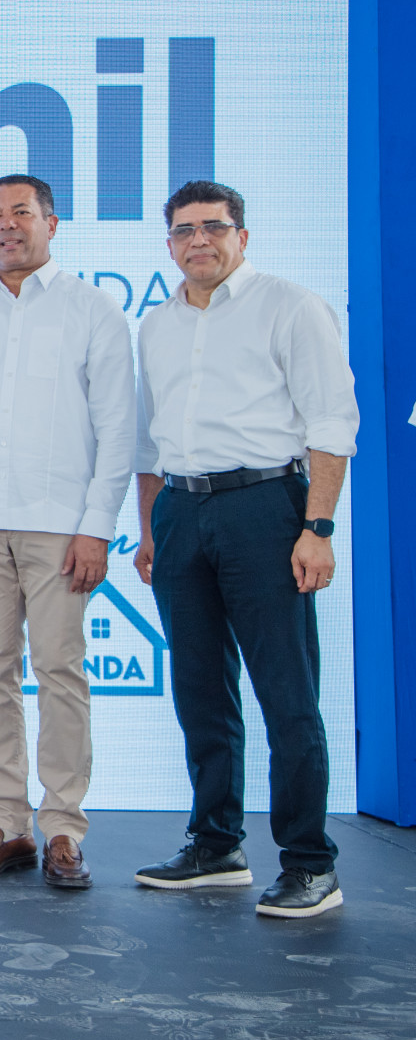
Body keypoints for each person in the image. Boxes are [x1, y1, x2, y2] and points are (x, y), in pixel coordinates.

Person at [132, 180, 358, 919]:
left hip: (266, 506)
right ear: (169, 243)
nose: (198, 240)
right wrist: (150, 528)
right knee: (199, 688)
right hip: (180, 511)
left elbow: (332, 422)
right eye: (184, 230)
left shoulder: (291, 307)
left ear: (242, 236)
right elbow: (149, 442)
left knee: (287, 693)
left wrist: (318, 528)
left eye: (213, 226)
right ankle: (215, 843)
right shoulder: (157, 324)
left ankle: (310, 862)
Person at [0, 174, 134, 891]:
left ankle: (63, 827)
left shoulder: (92, 309)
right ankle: (7, 822)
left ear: (51, 222)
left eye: (21, 212)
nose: (7, 225)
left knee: (61, 672)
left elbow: (117, 427)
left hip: (61, 528)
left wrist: (97, 527)